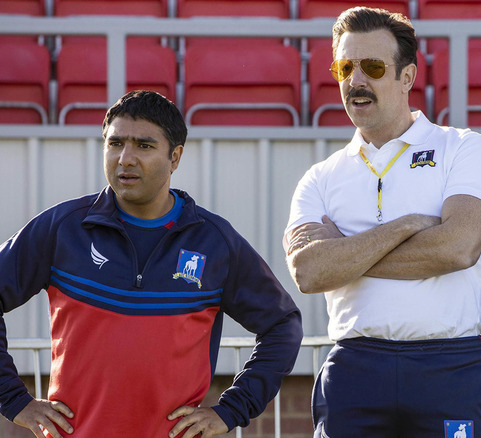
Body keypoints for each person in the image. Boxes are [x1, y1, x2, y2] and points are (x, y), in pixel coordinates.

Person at [0, 90, 303, 438]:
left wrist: (233, 408)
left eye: (144, 146)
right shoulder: (62, 228)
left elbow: (283, 324)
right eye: (115, 144)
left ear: (175, 157)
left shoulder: (215, 242)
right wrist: (14, 400)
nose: (125, 159)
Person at [284, 7, 481, 438]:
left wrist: (345, 253)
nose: (356, 80)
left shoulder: (462, 147)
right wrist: (405, 227)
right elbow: (309, 272)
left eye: (373, 67)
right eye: (345, 67)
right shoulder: (321, 176)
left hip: (449, 365)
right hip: (354, 368)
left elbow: (458, 248)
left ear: (407, 77)